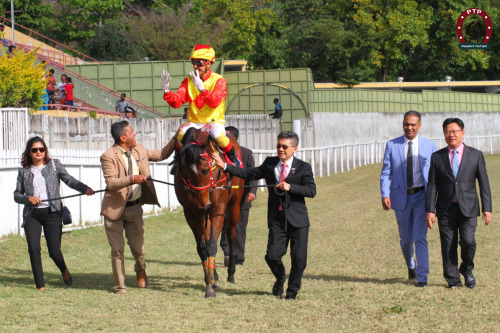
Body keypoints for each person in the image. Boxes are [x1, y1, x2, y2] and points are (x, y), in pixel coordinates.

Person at [212, 131, 316, 300]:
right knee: (272, 256)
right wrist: (224, 166)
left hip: (298, 221)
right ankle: (280, 277)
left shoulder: (304, 167)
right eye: (278, 145)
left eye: (284, 146)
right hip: (277, 219)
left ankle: (291, 291)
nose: (280, 149)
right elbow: (248, 174)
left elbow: (312, 191)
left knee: (299, 259)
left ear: (294, 148)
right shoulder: (270, 163)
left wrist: (291, 187)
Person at [100, 120, 176, 294]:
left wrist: (176, 138)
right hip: (114, 211)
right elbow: (111, 183)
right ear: (123, 137)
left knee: (138, 250)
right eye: (132, 131)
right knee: (117, 250)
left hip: (134, 209)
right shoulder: (108, 156)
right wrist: (132, 179)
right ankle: (120, 286)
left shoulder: (139, 150)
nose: (135, 134)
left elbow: (162, 154)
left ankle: (140, 270)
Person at [13, 136, 94, 290]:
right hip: (32, 215)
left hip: (53, 213)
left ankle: (64, 270)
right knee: (33, 248)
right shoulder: (23, 171)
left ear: (45, 151)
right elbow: (16, 195)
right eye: (34, 150)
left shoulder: (54, 165)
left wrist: (84, 189)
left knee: (54, 252)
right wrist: (28, 198)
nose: (38, 152)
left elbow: (69, 180)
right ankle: (40, 285)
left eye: (41, 149)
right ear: (29, 152)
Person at [426, 118, 492, 289]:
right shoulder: (437, 157)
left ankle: (467, 268)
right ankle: (453, 280)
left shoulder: (475, 155)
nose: (451, 134)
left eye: (455, 131)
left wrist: (487, 208)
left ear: (463, 132)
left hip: (468, 207)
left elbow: (484, 183)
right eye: (447, 131)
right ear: (444, 134)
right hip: (445, 208)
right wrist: (430, 210)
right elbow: (432, 184)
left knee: (468, 241)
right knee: (448, 245)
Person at [380, 111, 436, 287]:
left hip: (422, 196)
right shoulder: (392, 145)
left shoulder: (429, 146)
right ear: (402, 124)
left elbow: (434, 176)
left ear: (419, 125)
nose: (409, 127)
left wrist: (433, 201)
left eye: (413, 124)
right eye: (406, 124)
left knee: (420, 237)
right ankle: (411, 265)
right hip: (401, 197)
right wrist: (385, 194)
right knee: (406, 240)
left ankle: (422, 276)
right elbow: (386, 172)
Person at [162, 44, 241, 167]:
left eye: (199, 63)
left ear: (209, 64)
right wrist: (167, 91)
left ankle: (234, 158)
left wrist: (202, 89)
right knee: (181, 134)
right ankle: (178, 162)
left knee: (219, 137)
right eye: (193, 62)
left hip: (213, 122)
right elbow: (177, 102)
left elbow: (214, 102)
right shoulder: (188, 80)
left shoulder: (219, 81)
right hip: (195, 122)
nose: (195, 66)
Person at [220, 126, 257, 266]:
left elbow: (253, 175)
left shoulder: (246, 153)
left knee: (240, 228)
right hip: (224, 198)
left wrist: (252, 191)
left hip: (242, 198)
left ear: (234, 139)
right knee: (224, 227)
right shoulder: (219, 154)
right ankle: (227, 254)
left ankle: (239, 258)